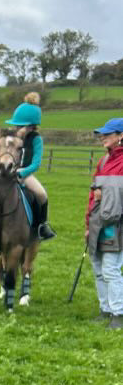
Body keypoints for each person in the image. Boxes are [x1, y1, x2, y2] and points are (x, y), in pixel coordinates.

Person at [0, 92, 55, 238]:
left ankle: (42, 225)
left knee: (42, 194)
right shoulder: (9, 137)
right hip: (2, 169)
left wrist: (22, 172)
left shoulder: (36, 139)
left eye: (20, 126)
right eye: (16, 126)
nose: (16, 129)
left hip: (23, 173)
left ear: (30, 127)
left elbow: (36, 163)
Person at [85, 117, 123, 329]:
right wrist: (87, 225)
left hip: (118, 225)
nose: (103, 137)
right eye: (103, 134)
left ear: (121, 136)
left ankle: (118, 314)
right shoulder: (102, 162)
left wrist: (104, 194)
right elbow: (92, 196)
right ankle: (105, 309)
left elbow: (108, 194)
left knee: (110, 269)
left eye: (108, 134)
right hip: (98, 223)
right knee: (99, 268)